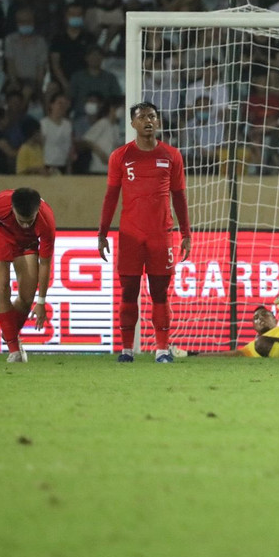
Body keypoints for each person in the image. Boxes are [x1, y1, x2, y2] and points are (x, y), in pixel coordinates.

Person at [97, 101, 192, 363]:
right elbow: (111, 197)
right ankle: (127, 349)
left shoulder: (172, 155)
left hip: (161, 235)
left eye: (152, 116)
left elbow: (180, 196)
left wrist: (186, 233)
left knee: (160, 293)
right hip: (130, 236)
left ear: (158, 122)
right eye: (142, 117)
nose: (148, 121)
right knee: (128, 292)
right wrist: (102, 233)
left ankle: (162, 349)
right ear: (133, 124)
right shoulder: (120, 156)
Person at [0, 187, 56, 363]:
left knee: (27, 298)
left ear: (37, 210)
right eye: (22, 220)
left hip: (27, 243)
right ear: (13, 209)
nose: (27, 224)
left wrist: (41, 301)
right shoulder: (0, 204)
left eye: (30, 220)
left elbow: (45, 263)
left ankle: (8, 332)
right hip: (0, 234)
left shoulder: (47, 222)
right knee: (2, 284)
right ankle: (14, 349)